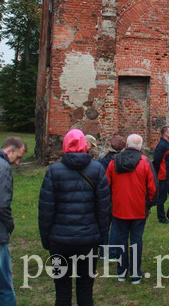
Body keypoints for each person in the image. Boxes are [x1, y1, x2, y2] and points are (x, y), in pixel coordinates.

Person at [38, 129, 110, 306]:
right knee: (85, 288)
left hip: (60, 241)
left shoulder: (54, 171)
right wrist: (101, 237)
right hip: (88, 239)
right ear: (85, 146)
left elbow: (46, 210)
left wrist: (46, 239)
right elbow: (104, 208)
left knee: (62, 289)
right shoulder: (97, 169)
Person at [106, 134, 157, 284]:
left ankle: (121, 272)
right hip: (138, 209)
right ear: (140, 146)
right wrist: (149, 204)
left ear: (126, 145)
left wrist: (111, 201)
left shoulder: (113, 162)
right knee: (136, 240)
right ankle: (135, 274)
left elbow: (106, 185)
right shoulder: (145, 162)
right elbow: (152, 188)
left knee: (121, 239)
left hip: (119, 208)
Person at [0, 137, 27, 306]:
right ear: (9, 151)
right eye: (18, 157)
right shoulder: (3, 166)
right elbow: (1, 203)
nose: (18, 162)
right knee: (5, 283)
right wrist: (9, 224)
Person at [98, 134, 126, 259]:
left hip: (104, 194)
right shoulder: (124, 159)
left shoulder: (102, 158)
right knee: (116, 224)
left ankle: (103, 251)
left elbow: (99, 176)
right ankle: (113, 251)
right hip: (117, 194)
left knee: (104, 223)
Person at [153, 126, 169, 223]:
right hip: (164, 175)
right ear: (166, 133)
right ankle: (161, 218)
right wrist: (158, 172)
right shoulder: (161, 145)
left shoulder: (168, 144)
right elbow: (157, 161)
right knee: (162, 197)